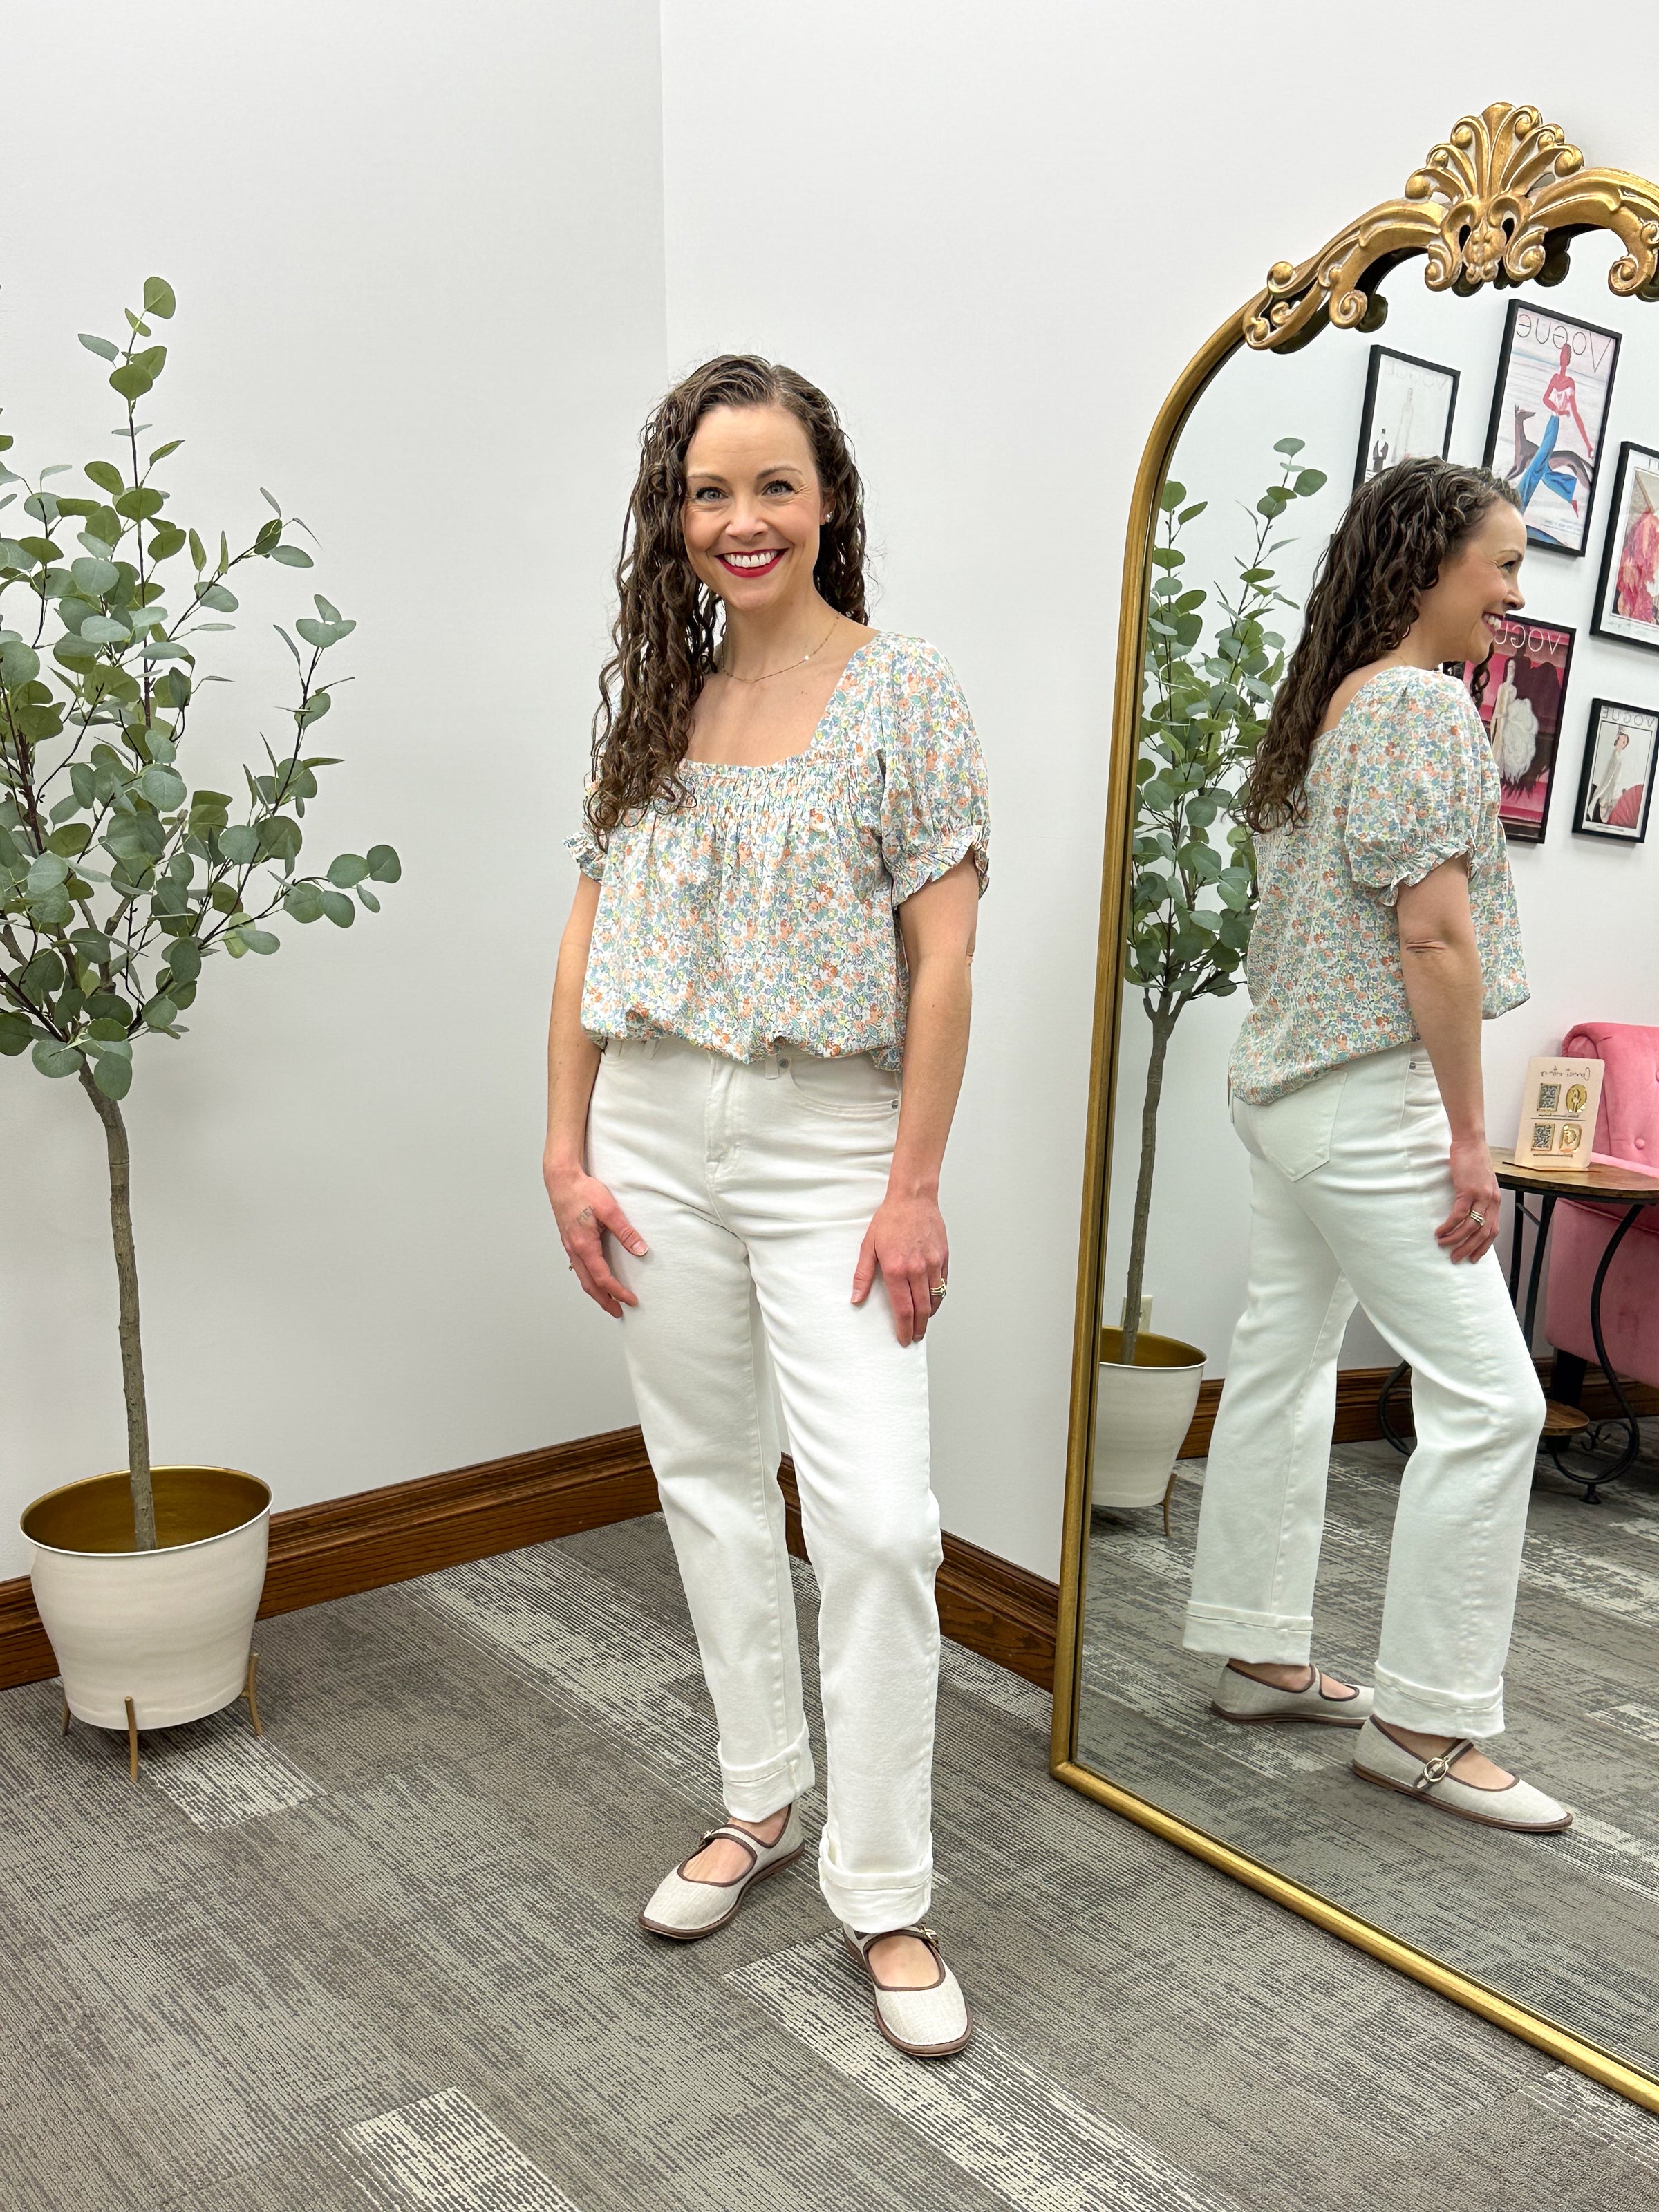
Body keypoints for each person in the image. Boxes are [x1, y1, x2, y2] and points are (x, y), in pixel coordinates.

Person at [543, 355, 989, 2057]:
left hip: (832, 1136)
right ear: (677, 516)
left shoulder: (907, 691)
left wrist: (915, 1183)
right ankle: (760, 1796)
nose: (743, 521)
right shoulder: (656, 704)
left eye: (774, 486)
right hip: (651, 1117)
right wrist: (567, 1147)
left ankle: (886, 1893)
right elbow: (587, 936)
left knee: (875, 1520)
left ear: (830, 502)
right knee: (713, 1482)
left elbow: (945, 958)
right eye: (710, 491)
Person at [1182, 456, 1571, 1834]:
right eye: (1505, 563)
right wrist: (1472, 1135)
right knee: (1498, 1400)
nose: (1517, 594)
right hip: (1362, 1102)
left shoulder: (1328, 707)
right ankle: (1423, 1722)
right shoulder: (1417, 706)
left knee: (1284, 1364)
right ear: (1427, 567)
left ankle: (1257, 1648)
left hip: (1283, 1092)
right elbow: (1433, 937)